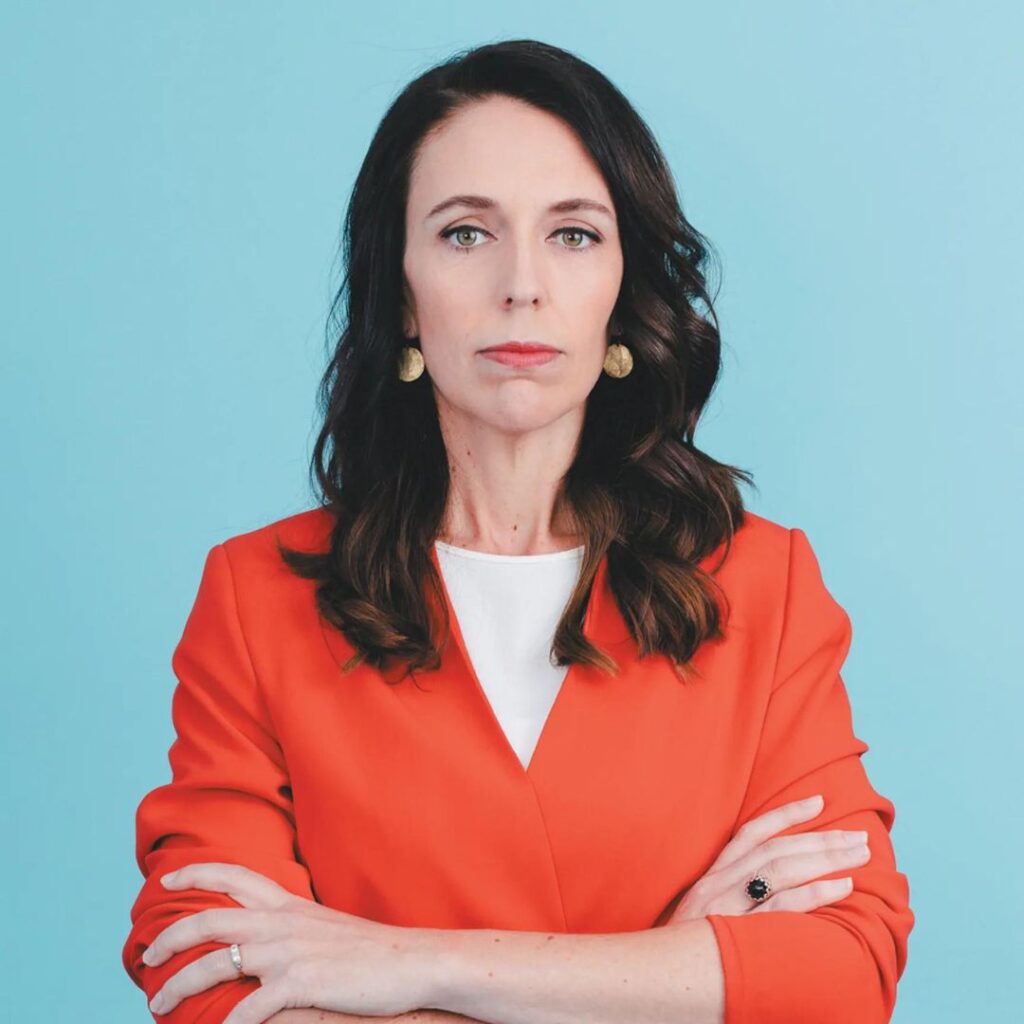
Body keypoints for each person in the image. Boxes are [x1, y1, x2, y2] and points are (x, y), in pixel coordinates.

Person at [122, 38, 914, 1024]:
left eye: (573, 234)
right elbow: (208, 977)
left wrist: (406, 965)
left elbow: (842, 973)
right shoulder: (256, 599)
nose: (521, 284)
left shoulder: (761, 584)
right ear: (399, 291)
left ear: (623, 289)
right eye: (464, 233)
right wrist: (668, 975)